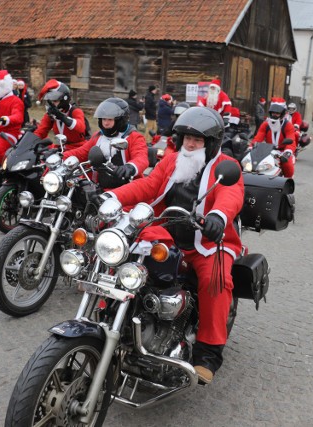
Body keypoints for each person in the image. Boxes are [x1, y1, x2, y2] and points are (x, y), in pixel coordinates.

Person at [102, 106, 244, 385]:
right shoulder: (172, 160)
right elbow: (148, 186)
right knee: (126, 258)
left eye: (198, 139)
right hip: (168, 233)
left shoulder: (227, 167)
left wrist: (217, 217)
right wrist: (113, 196)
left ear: (212, 142)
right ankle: (114, 316)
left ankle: (208, 354)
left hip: (208, 241)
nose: (190, 144)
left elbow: (231, 195)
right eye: (186, 138)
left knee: (215, 281)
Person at [62, 97, 149, 190]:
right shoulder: (98, 137)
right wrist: (60, 157)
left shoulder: (134, 137)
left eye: (110, 120)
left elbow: (141, 158)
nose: (106, 123)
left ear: (120, 120)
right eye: (104, 119)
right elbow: (81, 152)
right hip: (97, 188)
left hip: (126, 189)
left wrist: (129, 167)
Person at [34, 79, 87, 150]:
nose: (52, 105)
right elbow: (40, 132)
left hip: (78, 148)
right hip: (60, 148)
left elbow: (80, 128)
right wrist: (29, 141)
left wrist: (61, 116)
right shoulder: (51, 115)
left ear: (64, 99)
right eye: (50, 101)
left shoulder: (75, 111)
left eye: (55, 101)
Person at [251, 98, 297, 178]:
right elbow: (258, 138)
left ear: (282, 114)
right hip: (268, 150)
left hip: (283, 152)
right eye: (273, 113)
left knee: (287, 165)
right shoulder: (265, 125)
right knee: (251, 163)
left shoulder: (288, 125)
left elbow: (291, 140)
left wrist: (287, 153)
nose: (275, 115)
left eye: (277, 113)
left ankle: (288, 183)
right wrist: (251, 147)